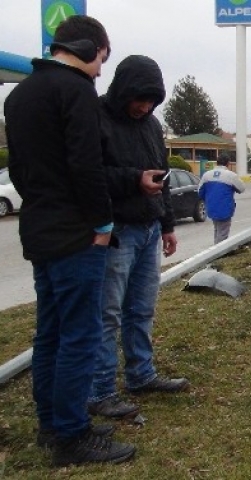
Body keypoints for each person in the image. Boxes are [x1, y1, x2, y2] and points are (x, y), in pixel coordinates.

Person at [3, 15, 136, 466]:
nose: (101, 70)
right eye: (103, 58)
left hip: (40, 229)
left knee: (51, 334)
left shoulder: (20, 95)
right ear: (88, 48)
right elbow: (86, 166)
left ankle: (53, 424)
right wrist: (101, 224)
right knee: (80, 335)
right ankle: (72, 437)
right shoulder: (76, 91)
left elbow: (18, 171)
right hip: (78, 234)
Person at [87, 55, 190, 420]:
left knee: (141, 309)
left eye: (150, 101)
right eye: (139, 99)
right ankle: (99, 391)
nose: (143, 107)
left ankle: (140, 374)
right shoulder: (97, 117)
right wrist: (134, 179)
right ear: (124, 91)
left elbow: (161, 178)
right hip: (116, 230)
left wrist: (167, 225)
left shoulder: (151, 124)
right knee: (107, 313)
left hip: (148, 229)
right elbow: (90, 174)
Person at [198, 155, 246, 244]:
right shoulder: (231, 175)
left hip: (211, 208)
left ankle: (215, 250)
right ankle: (218, 254)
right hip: (225, 209)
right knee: (223, 234)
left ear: (216, 162)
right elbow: (242, 188)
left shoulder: (206, 175)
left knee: (217, 230)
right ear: (228, 163)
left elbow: (200, 192)